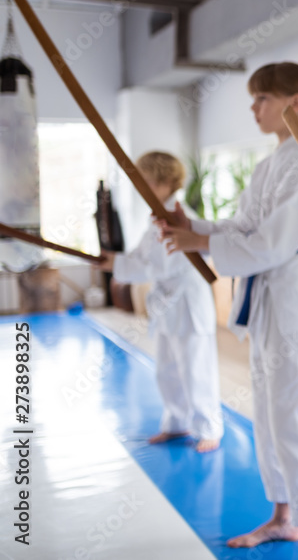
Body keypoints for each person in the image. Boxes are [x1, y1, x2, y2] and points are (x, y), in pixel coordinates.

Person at [159, 62, 298, 560]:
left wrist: (197, 239)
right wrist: (192, 224)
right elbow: (243, 227)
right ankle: (285, 518)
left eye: (262, 97)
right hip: (269, 298)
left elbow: (271, 243)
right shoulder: (272, 164)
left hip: (292, 295)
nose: (253, 107)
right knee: (267, 410)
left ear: (296, 104)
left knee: (296, 410)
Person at [96, 151, 223, 453]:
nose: (142, 188)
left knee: (196, 368)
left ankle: (209, 428)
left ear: (166, 182)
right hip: (167, 305)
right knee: (167, 368)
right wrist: (113, 261)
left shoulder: (182, 216)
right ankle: (177, 424)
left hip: (188, 303)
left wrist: (120, 265)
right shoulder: (155, 218)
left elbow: (164, 265)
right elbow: (142, 258)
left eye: (147, 181)